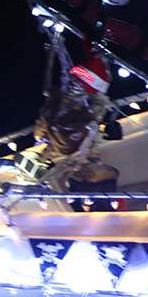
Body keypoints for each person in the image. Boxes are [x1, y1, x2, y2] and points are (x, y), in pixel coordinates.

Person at [31, 49, 120, 194]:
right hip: (83, 96)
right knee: (94, 76)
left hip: (75, 98)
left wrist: (52, 52)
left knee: (74, 74)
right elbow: (95, 115)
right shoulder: (79, 143)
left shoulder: (60, 139)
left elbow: (52, 88)